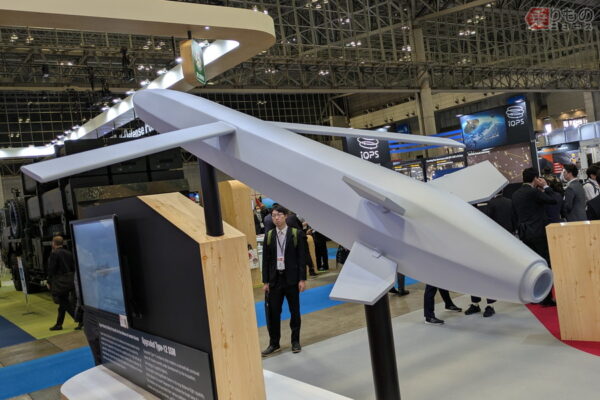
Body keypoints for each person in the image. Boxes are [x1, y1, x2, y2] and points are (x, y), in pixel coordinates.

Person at [261, 205, 307, 356]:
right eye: (274, 215)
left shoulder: (296, 234)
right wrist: (265, 281)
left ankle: (295, 341)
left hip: (291, 279)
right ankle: (274, 343)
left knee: (295, 311)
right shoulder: (269, 235)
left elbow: (301, 258)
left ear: (286, 216)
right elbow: (266, 261)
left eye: (279, 215)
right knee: (273, 313)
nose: (276, 218)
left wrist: (302, 279)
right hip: (275, 280)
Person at [464, 191, 516, 317]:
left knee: (486, 275)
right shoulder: (470, 206)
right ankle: (477, 303)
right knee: (475, 275)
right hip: (476, 244)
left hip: (487, 244)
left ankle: (488, 305)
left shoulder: (487, 205)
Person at [512, 168, 556, 306]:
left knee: (531, 266)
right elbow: (553, 200)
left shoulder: (516, 194)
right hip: (538, 232)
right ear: (536, 178)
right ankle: (546, 298)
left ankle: (533, 296)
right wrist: (546, 186)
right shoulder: (533, 192)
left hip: (524, 233)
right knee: (544, 263)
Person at [47, 236, 78, 330]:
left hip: (60, 283)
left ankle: (79, 319)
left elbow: (52, 269)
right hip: (69, 281)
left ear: (53, 243)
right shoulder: (69, 253)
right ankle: (59, 324)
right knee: (63, 303)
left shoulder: (54, 254)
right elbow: (73, 267)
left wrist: (49, 281)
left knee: (65, 303)